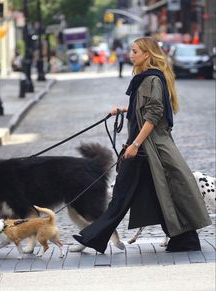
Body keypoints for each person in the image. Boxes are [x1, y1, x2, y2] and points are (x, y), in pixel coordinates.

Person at [73, 36, 211, 253]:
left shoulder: (152, 79)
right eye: (132, 50)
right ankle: (184, 240)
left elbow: (154, 114)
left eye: (135, 51)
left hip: (149, 149)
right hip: (147, 149)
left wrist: (135, 144)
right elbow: (146, 108)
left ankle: (93, 238)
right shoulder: (146, 78)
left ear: (147, 54)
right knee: (157, 195)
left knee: (126, 195)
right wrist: (124, 110)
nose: (131, 54)